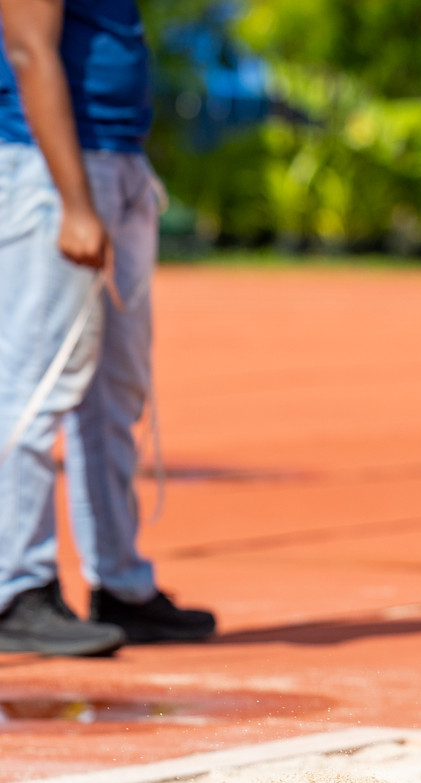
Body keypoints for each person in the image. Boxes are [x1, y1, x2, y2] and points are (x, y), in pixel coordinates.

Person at [0, 0, 215, 656]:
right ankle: (16, 587)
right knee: (35, 385)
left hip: (116, 157)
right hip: (50, 168)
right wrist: (73, 201)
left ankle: (119, 582)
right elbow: (30, 49)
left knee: (112, 393)